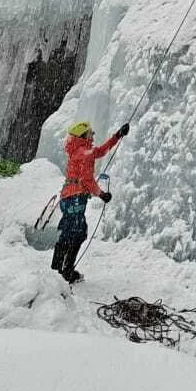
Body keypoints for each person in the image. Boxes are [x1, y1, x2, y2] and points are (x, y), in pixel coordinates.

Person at [51, 118, 129, 283]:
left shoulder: (80, 151)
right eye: (90, 132)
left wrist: (117, 135)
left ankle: (58, 270)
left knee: (69, 233)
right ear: (83, 135)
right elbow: (87, 181)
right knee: (77, 234)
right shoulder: (84, 154)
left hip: (69, 197)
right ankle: (65, 272)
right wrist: (101, 194)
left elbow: (99, 151)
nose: (93, 135)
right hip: (75, 199)